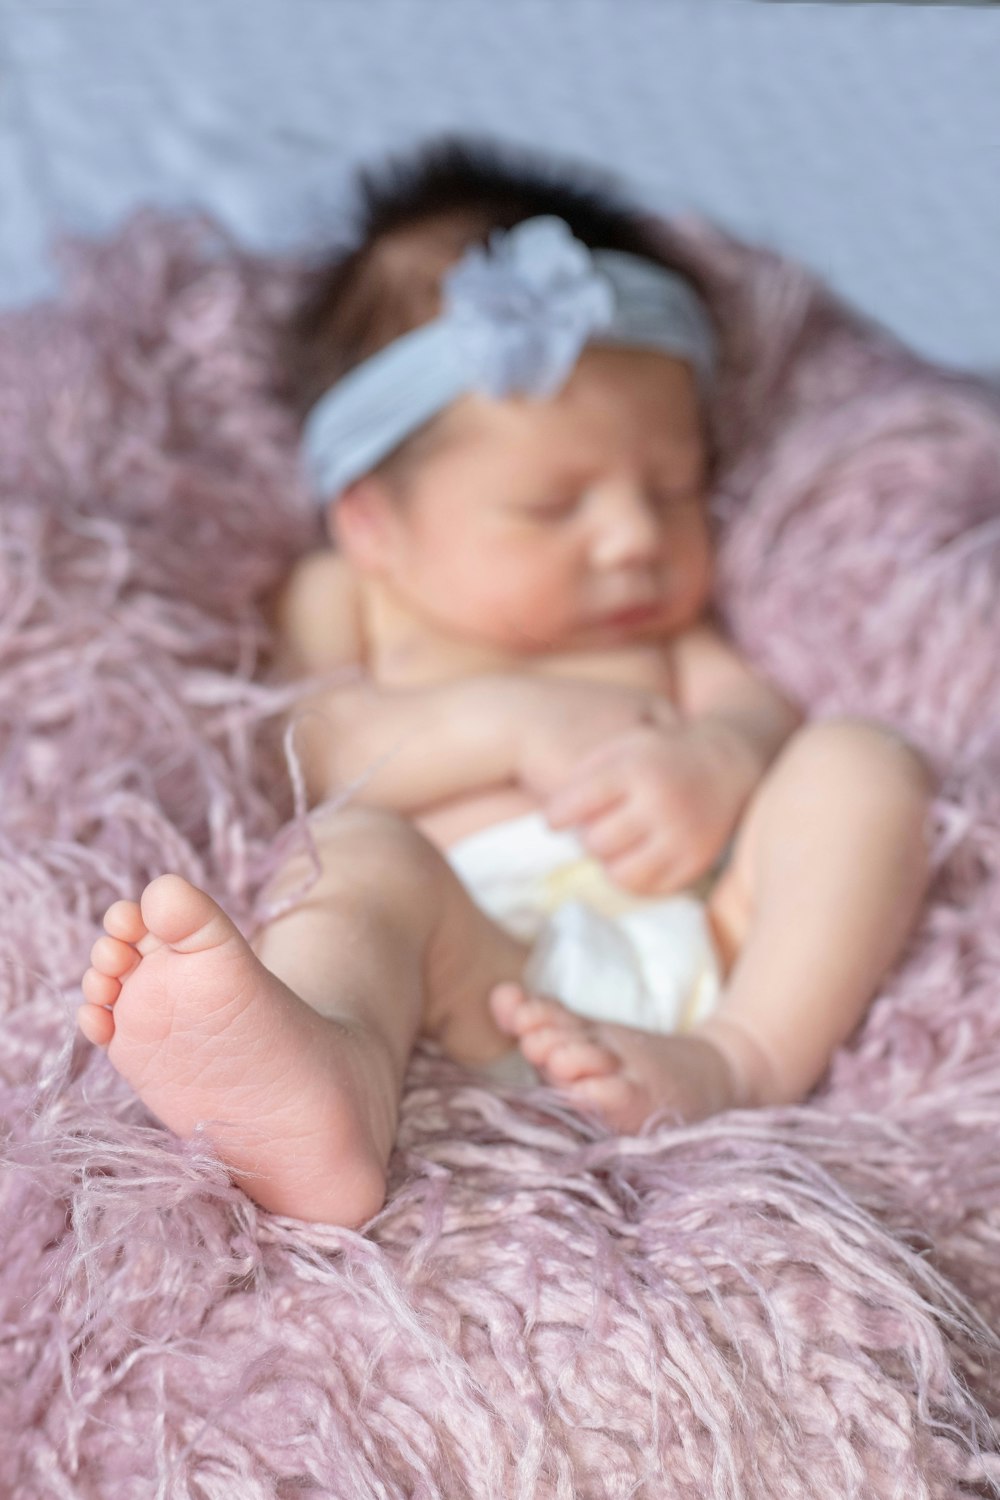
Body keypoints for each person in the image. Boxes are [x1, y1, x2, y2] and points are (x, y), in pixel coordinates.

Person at [77, 139, 932, 1227]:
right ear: (372, 522)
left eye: (673, 491)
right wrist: (507, 720)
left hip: (702, 949)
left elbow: (755, 711)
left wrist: (718, 755)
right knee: (356, 858)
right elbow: (305, 743)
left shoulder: (670, 636)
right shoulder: (347, 599)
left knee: (862, 761)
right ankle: (325, 1077)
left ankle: (739, 1058)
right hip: (471, 959)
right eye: (551, 504)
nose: (633, 538)